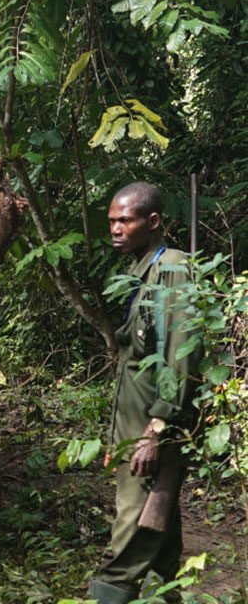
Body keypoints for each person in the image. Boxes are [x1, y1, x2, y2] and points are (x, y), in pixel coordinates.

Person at [89, 182, 201, 604]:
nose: (115, 229)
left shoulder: (172, 270)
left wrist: (157, 429)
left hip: (154, 429)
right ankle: (167, 594)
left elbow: (179, 356)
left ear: (152, 222)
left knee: (135, 527)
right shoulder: (143, 271)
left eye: (125, 220)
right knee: (160, 526)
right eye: (112, 222)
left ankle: (108, 594)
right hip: (134, 429)